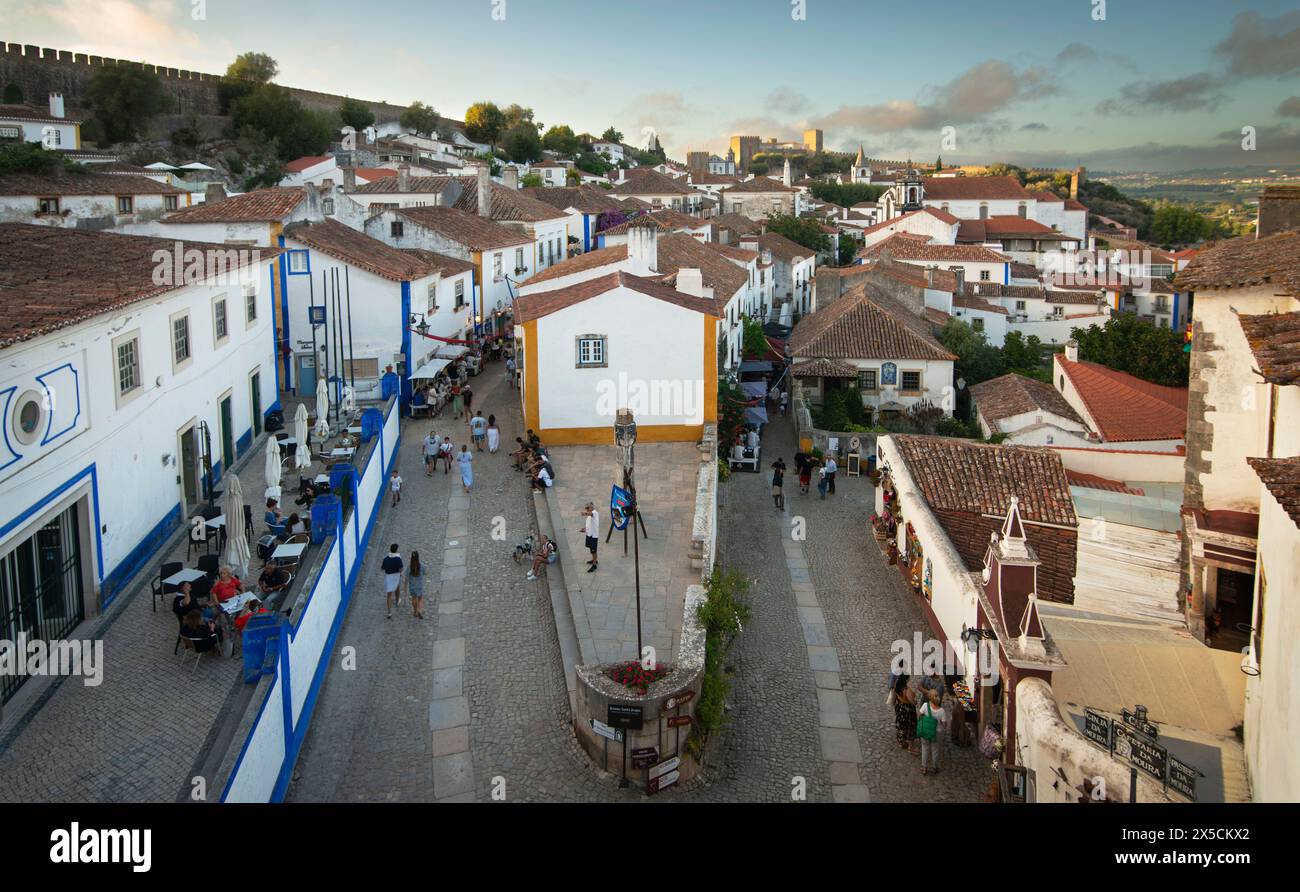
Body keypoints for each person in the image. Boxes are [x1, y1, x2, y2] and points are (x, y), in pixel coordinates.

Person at [919, 690, 948, 776]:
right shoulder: (941, 711)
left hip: (925, 730)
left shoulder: (925, 706)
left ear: (929, 698)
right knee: (935, 749)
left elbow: (920, 715)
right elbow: (944, 723)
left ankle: (924, 767)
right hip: (937, 732)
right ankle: (935, 767)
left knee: (925, 748)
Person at [892, 674, 918, 754]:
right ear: (906, 680)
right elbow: (912, 702)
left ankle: (901, 741)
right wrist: (915, 702)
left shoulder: (896, 685)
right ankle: (911, 747)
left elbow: (893, 697)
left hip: (899, 707)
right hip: (908, 711)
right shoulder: (907, 690)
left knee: (901, 725)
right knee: (910, 727)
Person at [381, 544, 403, 619]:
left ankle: (389, 612)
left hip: (388, 577)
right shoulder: (398, 559)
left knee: (389, 595)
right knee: (397, 589)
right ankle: (397, 601)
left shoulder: (386, 558)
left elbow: (383, 568)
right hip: (396, 576)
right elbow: (401, 569)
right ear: (396, 550)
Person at [581, 502, 600, 573]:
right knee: (591, 549)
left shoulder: (594, 513)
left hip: (593, 536)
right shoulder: (589, 515)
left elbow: (591, 514)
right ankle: (594, 560)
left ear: (591, 508)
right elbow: (590, 525)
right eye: (586, 509)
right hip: (589, 534)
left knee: (593, 550)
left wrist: (584, 513)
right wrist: (585, 529)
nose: (586, 510)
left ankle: (594, 565)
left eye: (587, 508)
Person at [408, 551, 425, 619]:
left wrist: (405, 586)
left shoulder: (409, 567)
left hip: (412, 586)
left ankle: (415, 611)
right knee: (420, 598)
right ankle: (419, 610)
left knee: (414, 598)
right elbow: (424, 573)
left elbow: (407, 577)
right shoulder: (421, 565)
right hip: (419, 585)